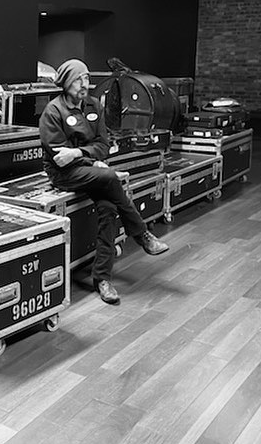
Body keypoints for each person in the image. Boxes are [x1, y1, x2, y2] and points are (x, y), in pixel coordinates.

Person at [39, 58, 169, 305]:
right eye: (78, 79)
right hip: (63, 175)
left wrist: (82, 154)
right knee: (110, 176)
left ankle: (102, 279)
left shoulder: (94, 105)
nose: (84, 84)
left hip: (88, 169)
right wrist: (90, 159)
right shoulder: (53, 112)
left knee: (108, 208)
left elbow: (103, 146)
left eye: (86, 78)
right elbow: (61, 159)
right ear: (66, 83)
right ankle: (142, 235)